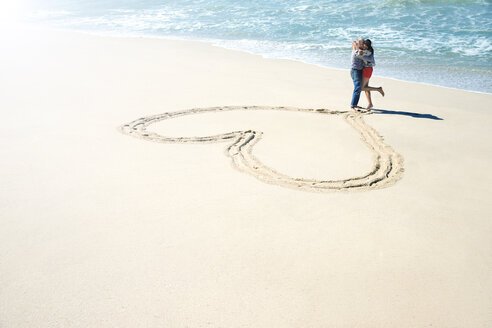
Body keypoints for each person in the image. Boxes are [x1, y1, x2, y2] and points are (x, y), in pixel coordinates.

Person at [360, 39, 384, 110]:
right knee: (366, 88)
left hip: (367, 70)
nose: (363, 46)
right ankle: (370, 103)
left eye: (364, 45)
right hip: (366, 69)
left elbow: (359, 54)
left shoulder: (368, 51)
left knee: (362, 88)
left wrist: (357, 47)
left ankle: (378, 89)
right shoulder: (369, 50)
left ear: (367, 46)